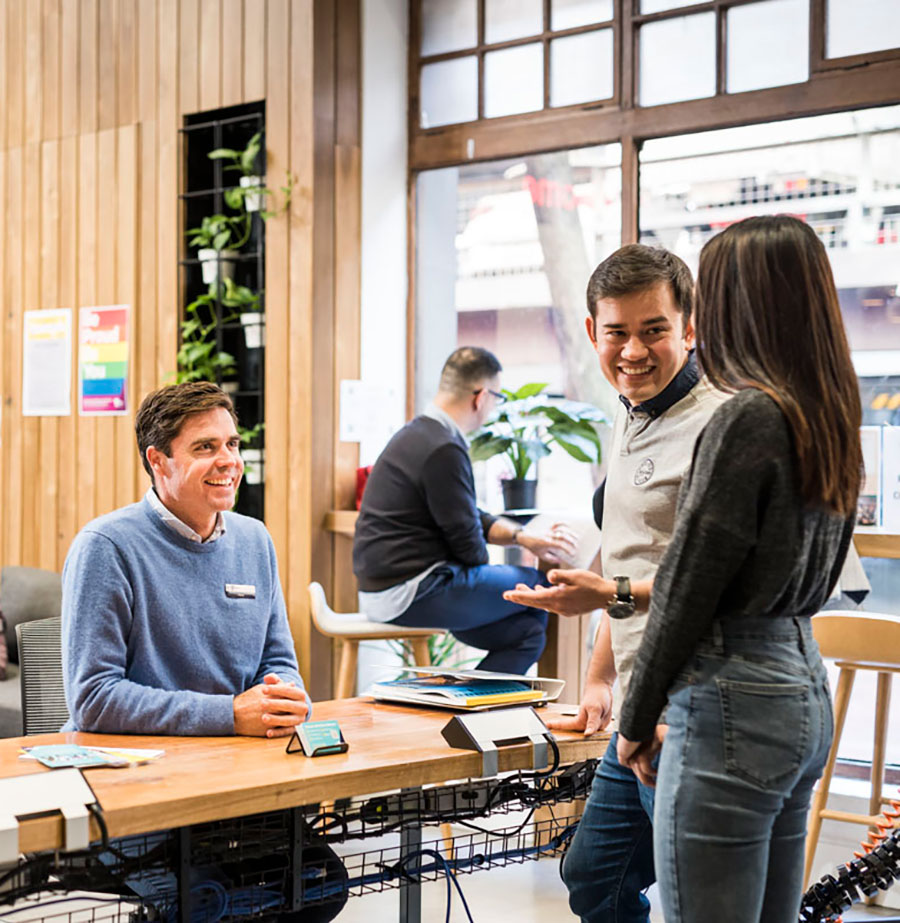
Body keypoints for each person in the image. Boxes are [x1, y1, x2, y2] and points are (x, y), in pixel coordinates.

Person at [616, 215, 860, 923]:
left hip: (731, 698)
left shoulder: (746, 418)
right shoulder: (827, 415)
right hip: (802, 685)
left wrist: (635, 717)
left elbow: (689, 587)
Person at [504, 243, 729, 922]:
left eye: (654, 329)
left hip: (691, 708)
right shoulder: (632, 418)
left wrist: (608, 604)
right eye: (617, 332)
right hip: (635, 703)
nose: (634, 349)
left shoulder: (720, 425)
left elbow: (715, 583)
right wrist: (600, 677)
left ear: (689, 329)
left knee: (699, 899)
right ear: (591, 334)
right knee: (592, 873)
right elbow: (627, 561)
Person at [62, 382, 310, 737]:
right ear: (158, 461)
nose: (228, 460)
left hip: (233, 755)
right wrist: (230, 715)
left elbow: (279, 664)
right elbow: (93, 700)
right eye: (205, 447)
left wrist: (284, 702)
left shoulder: (255, 539)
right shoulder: (105, 546)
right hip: (128, 768)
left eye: (232, 444)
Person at [352, 346, 576, 675]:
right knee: (538, 587)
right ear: (481, 397)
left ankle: (472, 712)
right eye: (496, 398)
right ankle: (477, 714)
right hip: (412, 591)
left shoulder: (419, 434)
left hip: (387, 591)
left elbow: (468, 512)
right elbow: (470, 548)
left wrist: (522, 537)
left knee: (527, 632)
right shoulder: (444, 447)